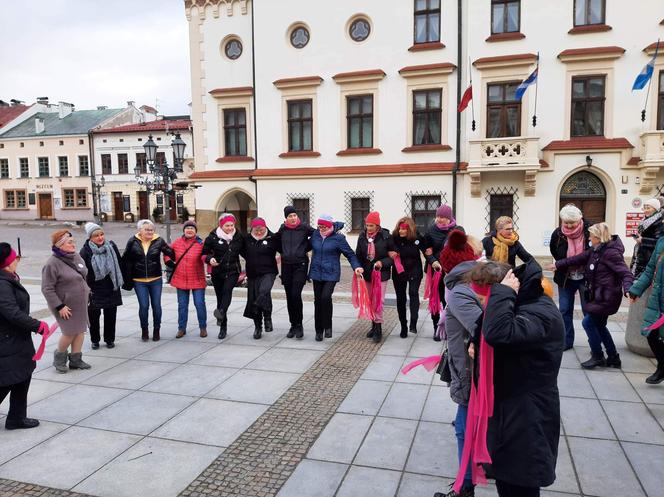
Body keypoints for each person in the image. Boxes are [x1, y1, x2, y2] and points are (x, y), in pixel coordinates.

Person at [464, 260, 564, 497]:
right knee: (506, 479)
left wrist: (501, 294)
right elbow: (488, 329)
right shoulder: (516, 304)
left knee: (521, 484)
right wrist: (474, 343)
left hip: (528, 416)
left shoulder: (539, 312)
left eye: (484, 298)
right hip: (509, 411)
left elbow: (499, 333)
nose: (483, 304)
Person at [433, 231, 482, 497]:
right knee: (466, 425)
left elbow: (486, 329)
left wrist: (476, 342)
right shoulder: (466, 284)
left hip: (468, 368)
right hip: (467, 365)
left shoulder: (460, 291)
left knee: (463, 429)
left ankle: (465, 487)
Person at [551, 223, 634, 369]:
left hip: (607, 297)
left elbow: (625, 273)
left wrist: (628, 288)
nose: (589, 238)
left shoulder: (611, 253)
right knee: (600, 326)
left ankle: (598, 356)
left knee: (588, 323)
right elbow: (576, 259)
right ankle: (613, 357)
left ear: (598, 237)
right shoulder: (595, 250)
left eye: (591, 236)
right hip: (598, 296)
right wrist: (558, 264)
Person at [0, 243, 44, 430]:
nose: (17, 259)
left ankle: (17, 417)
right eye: (15, 257)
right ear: (8, 262)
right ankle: (16, 417)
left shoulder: (8, 278)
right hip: (7, 339)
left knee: (23, 374)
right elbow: (11, 312)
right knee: (8, 379)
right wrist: (37, 325)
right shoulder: (2, 284)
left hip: (17, 337)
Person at [42, 229, 91, 373]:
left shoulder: (76, 257)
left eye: (73, 241)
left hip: (80, 303)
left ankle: (76, 360)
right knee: (69, 332)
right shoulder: (52, 263)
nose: (73, 244)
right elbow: (47, 288)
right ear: (60, 245)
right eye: (70, 242)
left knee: (80, 331)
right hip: (64, 306)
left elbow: (82, 275)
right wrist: (60, 306)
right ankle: (59, 360)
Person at [309, 214, 362, 341]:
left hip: (331, 273)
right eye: (319, 226)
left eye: (323, 226)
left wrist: (356, 267)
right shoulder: (315, 235)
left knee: (326, 297)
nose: (321, 229)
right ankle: (318, 330)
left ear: (329, 226)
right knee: (318, 301)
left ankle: (328, 326)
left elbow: (350, 254)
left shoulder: (338, 238)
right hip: (316, 272)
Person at [121, 219, 174, 342]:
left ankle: (157, 330)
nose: (150, 232)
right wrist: (126, 275)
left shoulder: (159, 240)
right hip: (139, 280)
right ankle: (144, 330)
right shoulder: (133, 241)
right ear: (140, 231)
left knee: (156, 306)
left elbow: (171, 253)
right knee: (144, 306)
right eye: (147, 229)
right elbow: (125, 259)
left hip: (155, 279)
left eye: (151, 229)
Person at [549, 204, 591, 350]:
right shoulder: (558, 233)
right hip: (565, 276)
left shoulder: (589, 230)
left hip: (586, 276)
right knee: (565, 309)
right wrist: (564, 263)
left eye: (571, 222)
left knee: (588, 310)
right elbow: (554, 250)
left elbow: (591, 253)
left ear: (579, 220)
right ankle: (567, 341)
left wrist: (568, 261)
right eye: (566, 222)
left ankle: (593, 341)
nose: (569, 225)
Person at [79, 222, 123, 349]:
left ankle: (109, 339)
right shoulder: (85, 251)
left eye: (102, 234)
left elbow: (119, 264)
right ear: (90, 238)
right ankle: (95, 340)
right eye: (96, 236)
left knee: (110, 315)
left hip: (111, 286)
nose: (100, 238)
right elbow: (82, 272)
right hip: (94, 288)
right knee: (94, 316)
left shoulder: (111, 247)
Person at [424, 204, 464, 341]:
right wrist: (433, 261)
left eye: (443, 217)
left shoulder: (457, 230)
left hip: (452, 272)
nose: (439, 219)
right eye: (438, 216)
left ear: (449, 218)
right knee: (436, 299)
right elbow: (427, 250)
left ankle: (448, 327)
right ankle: (436, 328)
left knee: (448, 300)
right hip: (436, 270)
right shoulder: (430, 230)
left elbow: (461, 248)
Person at [203, 213, 245, 340]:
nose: (230, 228)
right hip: (217, 272)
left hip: (233, 271)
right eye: (227, 225)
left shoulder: (238, 236)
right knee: (220, 298)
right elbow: (204, 253)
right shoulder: (212, 237)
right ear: (221, 225)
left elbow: (246, 252)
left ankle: (220, 313)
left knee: (227, 291)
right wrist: (210, 259)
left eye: (232, 225)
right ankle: (223, 327)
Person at [628, 235, 664, 384]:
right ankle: (662, 367)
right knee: (652, 334)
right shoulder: (661, 241)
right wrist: (636, 290)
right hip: (658, 299)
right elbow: (650, 269)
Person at [276, 206, 314, 339]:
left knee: (295, 294)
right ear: (285, 218)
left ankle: (299, 325)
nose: (293, 218)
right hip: (286, 266)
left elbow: (316, 235)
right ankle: (293, 325)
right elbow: (276, 242)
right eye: (289, 216)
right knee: (289, 296)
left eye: (294, 215)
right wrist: (284, 253)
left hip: (300, 265)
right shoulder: (283, 229)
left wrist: (305, 248)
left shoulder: (304, 227)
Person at [356, 211, 395, 343]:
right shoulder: (362, 237)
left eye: (372, 225)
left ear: (378, 225)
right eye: (367, 225)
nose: (369, 228)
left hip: (381, 274)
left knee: (379, 301)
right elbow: (358, 256)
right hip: (367, 274)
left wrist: (381, 263)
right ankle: (373, 325)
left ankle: (378, 328)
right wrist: (358, 268)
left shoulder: (386, 237)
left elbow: (393, 257)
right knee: (370, 300)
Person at [166, 220, 207, 339]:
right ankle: (181, 328)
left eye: (192, 228)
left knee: (199, 304)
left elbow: (208, 254)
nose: (189, 230)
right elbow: (166, 252)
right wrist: (168, 261)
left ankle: (203, 327)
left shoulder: (201, 243)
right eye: (187, 228)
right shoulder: (177, 242)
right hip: (181, 278)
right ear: (184, 230)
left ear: (196, 231)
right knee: (182, 305)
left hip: (197, 279)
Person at [241, 218, 279, 339]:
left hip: (269, 271)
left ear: (265, 227)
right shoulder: (246, 239)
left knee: (264, 291)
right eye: (256, 230)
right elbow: (242, 252)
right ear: (252, 228)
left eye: (261, 230)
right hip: (253, 273)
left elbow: (284, 249)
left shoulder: (272, 238)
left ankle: (267, 317)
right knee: (255, 298)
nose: (258, 232)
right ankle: (258, 326)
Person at [391, 217, 426, 338]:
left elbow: (426, 249)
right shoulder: (394, 238)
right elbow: (387, 247)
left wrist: (432, 258)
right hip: (399, 270)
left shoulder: (417, 238)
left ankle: (413, 323)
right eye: (399, 228)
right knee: (400, 298)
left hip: (414, 269)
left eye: (404, 229)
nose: (401, 231)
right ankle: (403, 326)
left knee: (413, 293)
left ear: (409, 229)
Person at [631, 198, 664, 278]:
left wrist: (642, 240)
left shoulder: (660, 223)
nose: (645, 210)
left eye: (648, 208)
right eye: (644, 208)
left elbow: (660, 242)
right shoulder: (645, 221)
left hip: (650, 258)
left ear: (655, 208)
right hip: (640, 256)